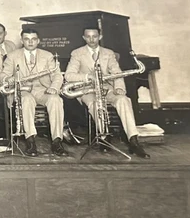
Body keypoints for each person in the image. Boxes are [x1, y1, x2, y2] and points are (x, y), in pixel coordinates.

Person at [64, 27, 149, 158]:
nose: (91, 39)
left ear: (100, 37)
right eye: (88, 36)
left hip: (106, 88)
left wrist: (119, 88)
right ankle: (104, 136)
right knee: (95, 104)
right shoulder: (77, 53)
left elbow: (117, 73)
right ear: (84, 38)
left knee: (124, 100)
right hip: (88, 90)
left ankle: (133, 140)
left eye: (94, 36)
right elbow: (69, 75)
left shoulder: (108, 53)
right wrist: (87, 77)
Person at [0, 27, 68, 157]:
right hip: (23, 90)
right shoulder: (12, 56)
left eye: (33, 39)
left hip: (43, 89)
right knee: (26, 100)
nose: (30, 42)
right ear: (22, 40)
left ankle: (57, 141)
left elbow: (57, 75)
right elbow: (3, 75)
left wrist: (54, 87)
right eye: (27, 39)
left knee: (56, 100)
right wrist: (9, 79)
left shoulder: (47, 55)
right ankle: (30, 140)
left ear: (38, 41)